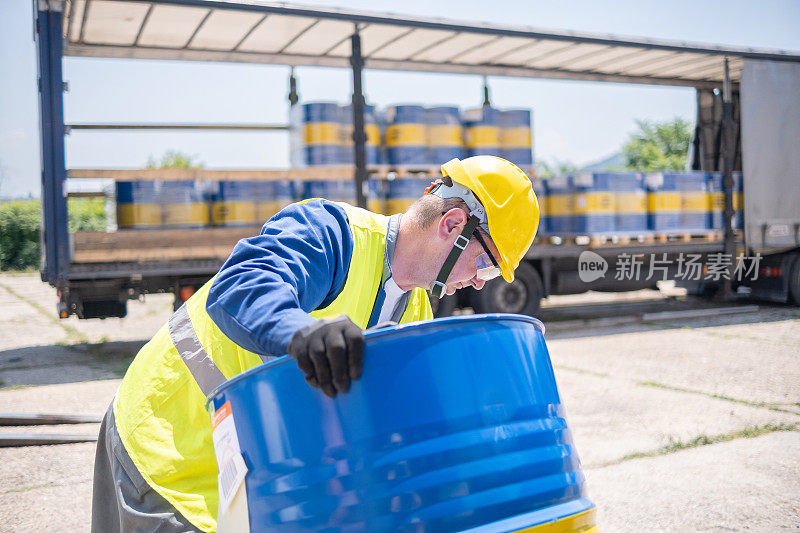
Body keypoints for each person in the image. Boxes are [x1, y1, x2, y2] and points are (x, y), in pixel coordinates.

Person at [91, 155, 540, 532]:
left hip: (243, 476)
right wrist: (300, 332)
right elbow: (243, 285)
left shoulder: (417, 309)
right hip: (166, 447)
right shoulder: (332, 232)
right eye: (484, 263)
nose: (476, 281)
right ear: (453, 223)